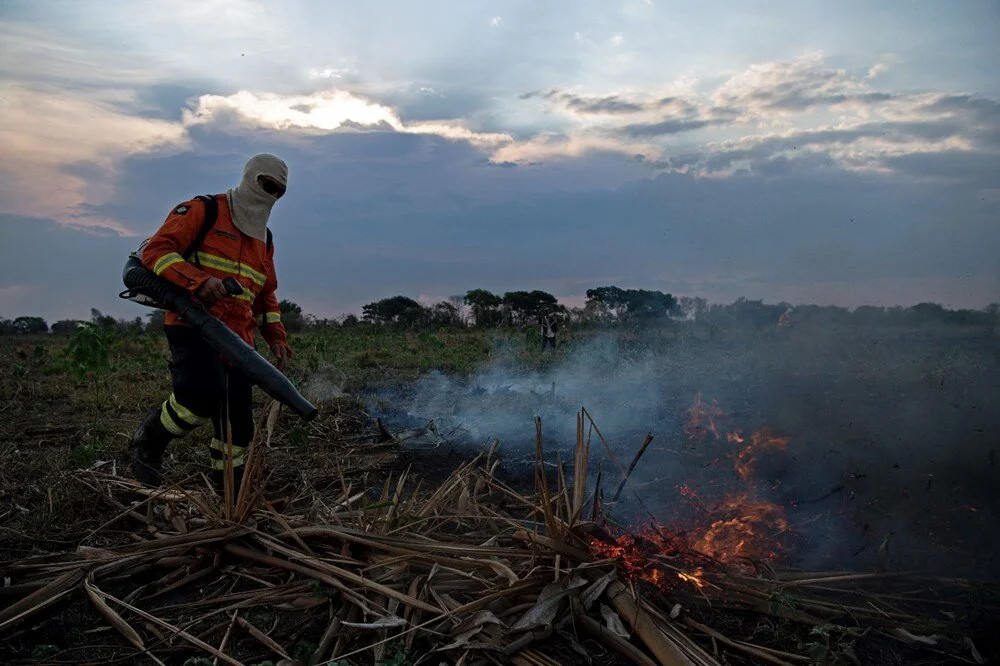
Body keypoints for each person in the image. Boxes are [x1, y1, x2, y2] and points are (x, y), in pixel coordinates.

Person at [130, 154, 292, 492]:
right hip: (192, 325)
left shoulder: (266, 239)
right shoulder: (203, 211)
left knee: (239, 427)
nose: (272, 194)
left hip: (238, 342)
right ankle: (148, 442)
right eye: (268, 184)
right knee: (199, 398)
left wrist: (276, 336)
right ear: (251, 177)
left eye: (279, 190)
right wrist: (197, 281)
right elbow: (155, 252)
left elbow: (265, 294)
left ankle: (227, 488)